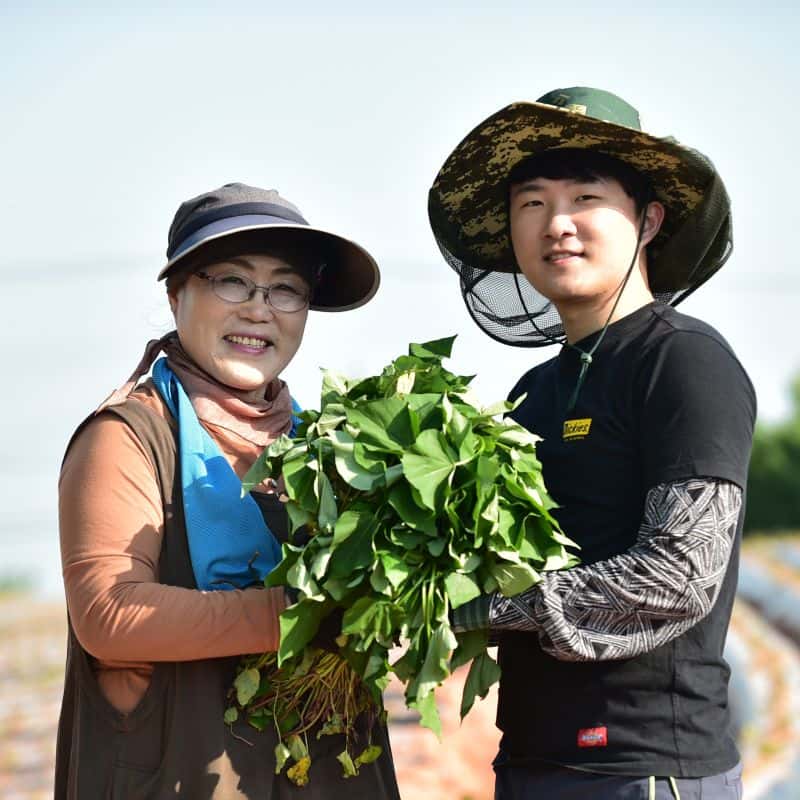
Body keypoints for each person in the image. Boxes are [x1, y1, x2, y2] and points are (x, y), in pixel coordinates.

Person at [428, 88, 756, 798]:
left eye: (585, 198)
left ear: (647, 219)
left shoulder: (684, 361)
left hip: (642, 766)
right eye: (533, 204)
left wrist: (483, 605)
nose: (558, 225)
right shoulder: (531, 393)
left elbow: (679, 573)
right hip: (532, 761)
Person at [56, 183, 401, 799]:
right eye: (232, 282)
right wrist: (303, 613)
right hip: (182, 776)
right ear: (176, 292)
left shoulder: (336, 449)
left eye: (286, 289)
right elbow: (108, 616)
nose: (258, 309)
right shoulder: (130, 435)